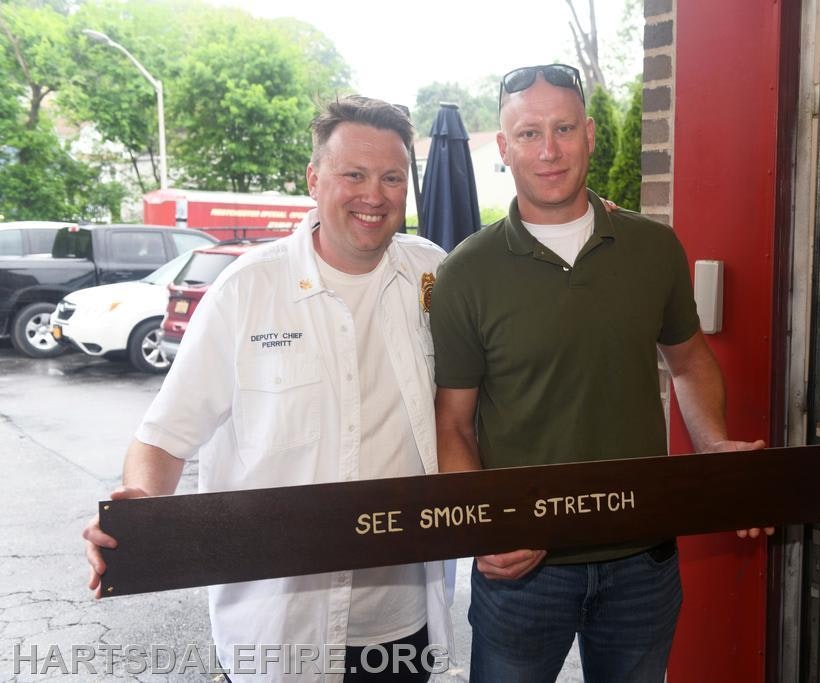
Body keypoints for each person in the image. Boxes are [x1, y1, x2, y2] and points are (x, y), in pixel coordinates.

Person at [82, 96, 452, 682]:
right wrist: (143, 507)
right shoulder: (246, 290)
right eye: (353, 174)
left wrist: (581, 213)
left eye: (391, 177)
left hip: (399, 623)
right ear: (313, 178)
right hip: (276, 633)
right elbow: (164, 437)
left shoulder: (433, 274)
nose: (374, 195)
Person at [429, 63, 767, 683]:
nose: (549, 150)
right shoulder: (465, 273)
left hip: (644, 559)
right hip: (525, 568)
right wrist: (485, 527)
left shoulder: (653, 248)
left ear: (589, 134)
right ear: (503, 149)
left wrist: (714, 443)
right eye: (528, 134)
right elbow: (453, 424)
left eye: (563, 128)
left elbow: (690, 362)